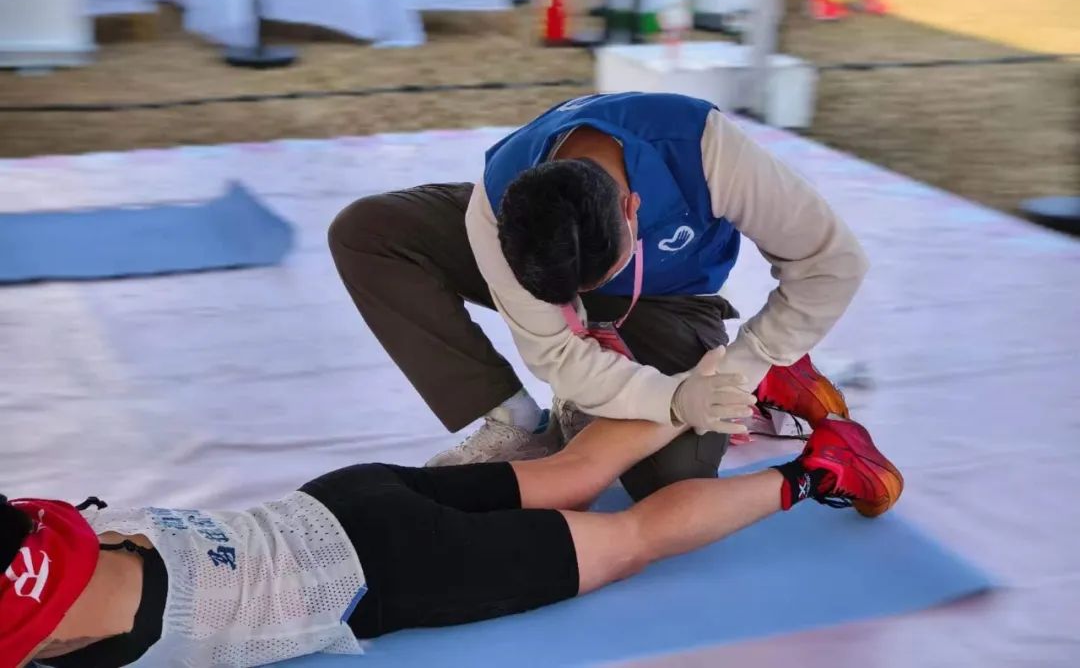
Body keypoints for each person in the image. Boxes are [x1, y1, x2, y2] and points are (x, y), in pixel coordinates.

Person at [4, 395, 903, 668]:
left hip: (395, 570)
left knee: (629, 541)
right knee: (572, 474)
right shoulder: (41, 530)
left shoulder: (38, 630)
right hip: (339, 502)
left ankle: (822, 471)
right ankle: (738, 379)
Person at [329, 92, 869, 499]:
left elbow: (831, 259)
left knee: (672, 480)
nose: (576, 309)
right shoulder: (495, 208)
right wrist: (670, 398)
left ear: (634, 209)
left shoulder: (704, 149)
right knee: (370, 230)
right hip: (540, 250)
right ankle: (518, 422)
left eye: (592, 281)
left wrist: (748, 362)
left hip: (667, 296)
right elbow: (556, 351)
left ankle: (778, 371)